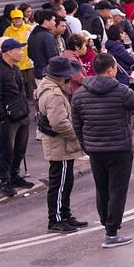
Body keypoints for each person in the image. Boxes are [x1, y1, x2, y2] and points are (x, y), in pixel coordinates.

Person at [72, 53, 134, 247]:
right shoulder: (120, 90)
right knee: (117, 190)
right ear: (111, 69)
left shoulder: (79, 94)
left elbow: (77, 124)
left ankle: (107, 224)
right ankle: (111, 232)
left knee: (102, 189)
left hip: (95, 149)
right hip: (119, 148)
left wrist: (86, 145)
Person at [35, 56, 87, 232]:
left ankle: (64, 214)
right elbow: (59, 123)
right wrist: (76, 136)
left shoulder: (49, 88)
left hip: (59, 144)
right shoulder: (54, 94)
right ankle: (56, 218)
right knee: (60, 183)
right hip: (60, 145)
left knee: (65, 181)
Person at [0, 39, 32, 197]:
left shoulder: (16, 69)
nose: (22, 52)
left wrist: (25, 109)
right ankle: (5, 181)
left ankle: (14, 175)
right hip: (8, 118)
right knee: (7, 150)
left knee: (20, 149)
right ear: (8, 52)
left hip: (21, 114)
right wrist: (2, 117)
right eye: (18, 49)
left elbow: (21, 91)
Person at [1, 8, 34, 92]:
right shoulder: (8, 31)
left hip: (29, 61)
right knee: (19, 85)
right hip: (16, 62)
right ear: (11, 20)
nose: (17, 20)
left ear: (22, 18)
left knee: (32, 84)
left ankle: (34, 99)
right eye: (15, 18)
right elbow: (4, 45)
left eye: (19, 18)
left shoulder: (28, 28)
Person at [27, 10, 62, 81]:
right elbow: (53, 57)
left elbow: (30, 54)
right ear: (46, 21)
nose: (55, 23)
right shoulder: (47, 36)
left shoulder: (33, 33)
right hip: (48, 75)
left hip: (37, 72)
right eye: (53, 20)